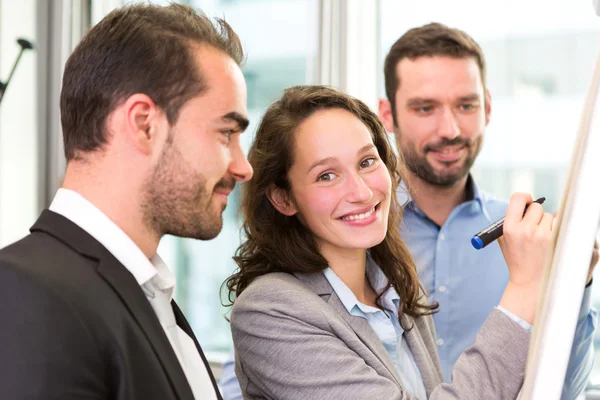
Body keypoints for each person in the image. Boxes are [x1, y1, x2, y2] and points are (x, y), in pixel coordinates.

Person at [220, 23, 599, 400]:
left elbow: (561, 386)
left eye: (367, 162)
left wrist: (570, 282)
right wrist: (524, 289)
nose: (361, 190)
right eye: (327, 174)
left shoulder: (394, 284)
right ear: (282, 198)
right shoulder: (272, 308)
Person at [0, 3, 253, 399]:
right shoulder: (27, 295)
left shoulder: (149, 293)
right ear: (144, 124)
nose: (243, 167)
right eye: (226, 133)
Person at [376, 22, 597, 398]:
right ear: (388, 115)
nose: (450, 129)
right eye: (425, 107)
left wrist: (577, 285)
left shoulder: (526, 238)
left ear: (488, 108)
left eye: (466, 105)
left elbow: (563, 390)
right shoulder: (355, 234)